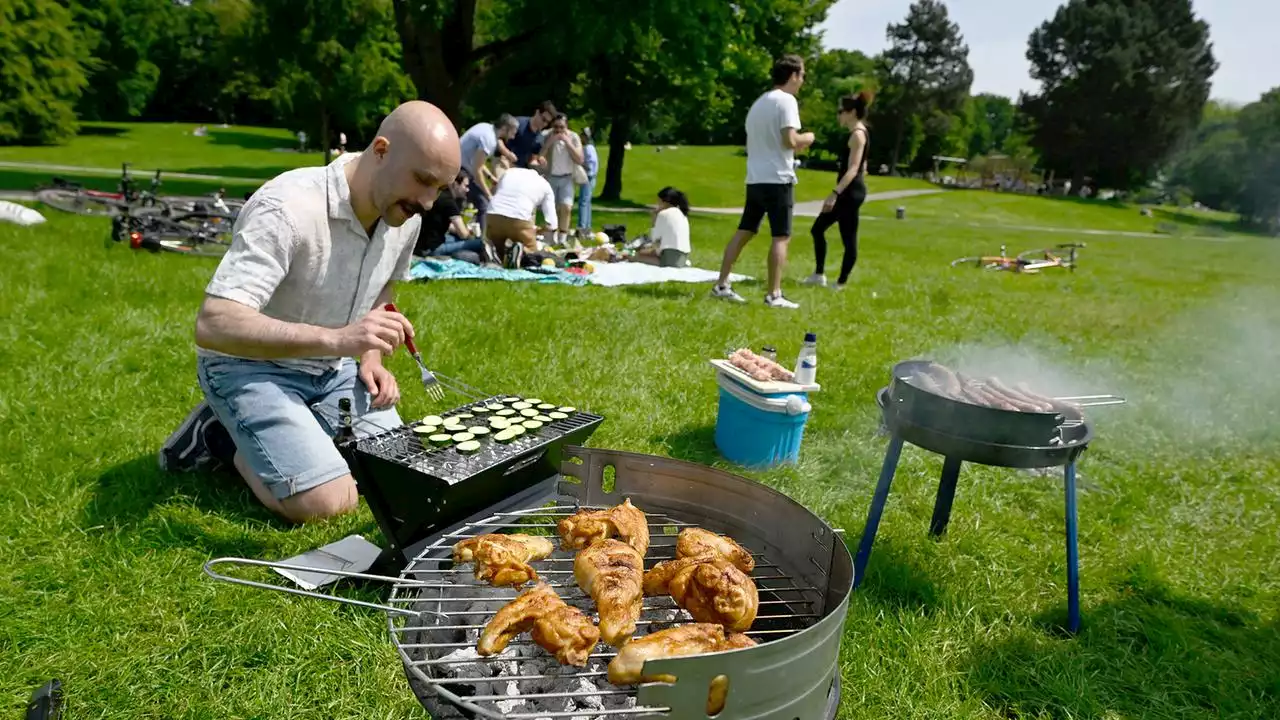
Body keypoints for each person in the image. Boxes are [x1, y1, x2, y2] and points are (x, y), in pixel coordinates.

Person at [157, 101, 462, 524]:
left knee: (401, 468)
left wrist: (370, 358)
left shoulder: (402, 216)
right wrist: (339, 340)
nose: (429, 202)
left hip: (331, 369)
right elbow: (214, 323)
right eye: (423, 181)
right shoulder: (288, 207)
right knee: (328, 503)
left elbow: (382, 289)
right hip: (249, 368)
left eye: (440, 188)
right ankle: (218, 436)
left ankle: (295, 437)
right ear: (380, 150)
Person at [711, 54, 814, 309]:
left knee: (744, 230)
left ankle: (721, 284)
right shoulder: (787, 101)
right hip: (778, 179)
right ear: (792, 76)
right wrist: (807, 138)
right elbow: (790, 140)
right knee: (781, 237)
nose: (803, 80)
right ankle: (774, 294)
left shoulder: (758, 104)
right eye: (802, 75)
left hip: (755, 179)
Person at [803, 91, 873, 290]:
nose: (838, 115)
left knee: (843, 236)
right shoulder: (860, 133)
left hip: (849, 193)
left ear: (851, 112)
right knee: (823, 231)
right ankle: (821, 275)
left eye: (841, 111)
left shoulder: (857, 135)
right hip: (852, 191)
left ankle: (838, 282)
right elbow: (864, 167)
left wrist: (835, 193)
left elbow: (854, 168)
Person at [484, 159, 557, 268]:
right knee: (533, 254)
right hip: (519, 219)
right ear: (543, 175)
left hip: (493, 213)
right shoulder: (545, 185)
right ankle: (521, 252)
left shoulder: (509, 172)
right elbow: (552, 225)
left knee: (497, 245)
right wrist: (538, 230)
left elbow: (498, 192)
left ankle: (496, 253)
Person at [458, 114, 519, 234]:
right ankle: (484, 242)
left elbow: (476, 162)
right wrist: (488, 195)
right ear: (505, 128)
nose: (513, 136)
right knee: (484, 204)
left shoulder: (486, 128)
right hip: (460, 170)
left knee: (461, 204)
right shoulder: (489, 140)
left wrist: (491, 178)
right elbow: (477, 170)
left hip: (461, 166)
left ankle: (465, 232)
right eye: (512, 132)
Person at [414, 171, 485, 264]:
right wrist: (472, 235)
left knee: (454, 238)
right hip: (432, 248)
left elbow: (444, 225)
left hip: (420, 244)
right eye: (465, 186)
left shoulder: (440, 194)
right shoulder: (449, 202)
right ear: (455, 184)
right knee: (480, 243)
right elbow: (463, 234)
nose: (467, 190)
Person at [539, 113, 584, 246]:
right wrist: (549, 144)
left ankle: (562, 238)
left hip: (567, 177)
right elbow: (539, 156)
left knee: (566, 207)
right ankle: (551, 236)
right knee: (550, 208)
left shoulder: (573, 137)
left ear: (566, 126)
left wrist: (568, 142)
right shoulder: (546, 136)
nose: (558, 131)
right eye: (556, 127)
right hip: (550, 177)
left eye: (561, 127)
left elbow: (580, 159)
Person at [632, 187, 691, 267]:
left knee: (634, 257)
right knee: (644, 253)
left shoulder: (663, 214)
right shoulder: (682, 214)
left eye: (658, 201)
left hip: (670, 259)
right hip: (682, 257)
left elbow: (655, 239)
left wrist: (654, 219)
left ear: (664, 201)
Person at [506, 101, 557, 169]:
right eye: (543, 119)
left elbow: (532, 159)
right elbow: (499, 140)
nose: (544, 124)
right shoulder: (518, 123)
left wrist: (539, 162)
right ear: (537, 112)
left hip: (520, 169)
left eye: (547, 122)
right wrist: (507, 154)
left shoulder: (539, 137)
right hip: (503, 161)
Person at [577, 127, 599, 234]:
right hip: (592, 177)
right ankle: (587, 226)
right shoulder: (592, 147)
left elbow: (589, 165)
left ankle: (582, 227)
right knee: (587, 202)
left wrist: (580, 163)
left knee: (583, 202)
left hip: (587, 177)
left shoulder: (587, 148)